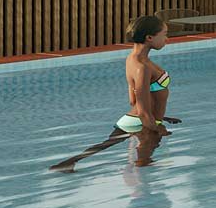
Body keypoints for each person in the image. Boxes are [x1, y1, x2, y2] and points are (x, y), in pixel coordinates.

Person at [51, 13, 173, 171]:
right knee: (143, 163)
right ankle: (143, 191)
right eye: (164, 34)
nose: (167, 39)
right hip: (143, 123)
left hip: (143, 120)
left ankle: (67, 164)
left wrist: (162, 117)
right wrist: (157, 127)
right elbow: (142, 110)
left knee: (112, 147)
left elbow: (133, 99)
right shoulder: (141, 67)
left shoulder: (133, 59)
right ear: (149, 37)